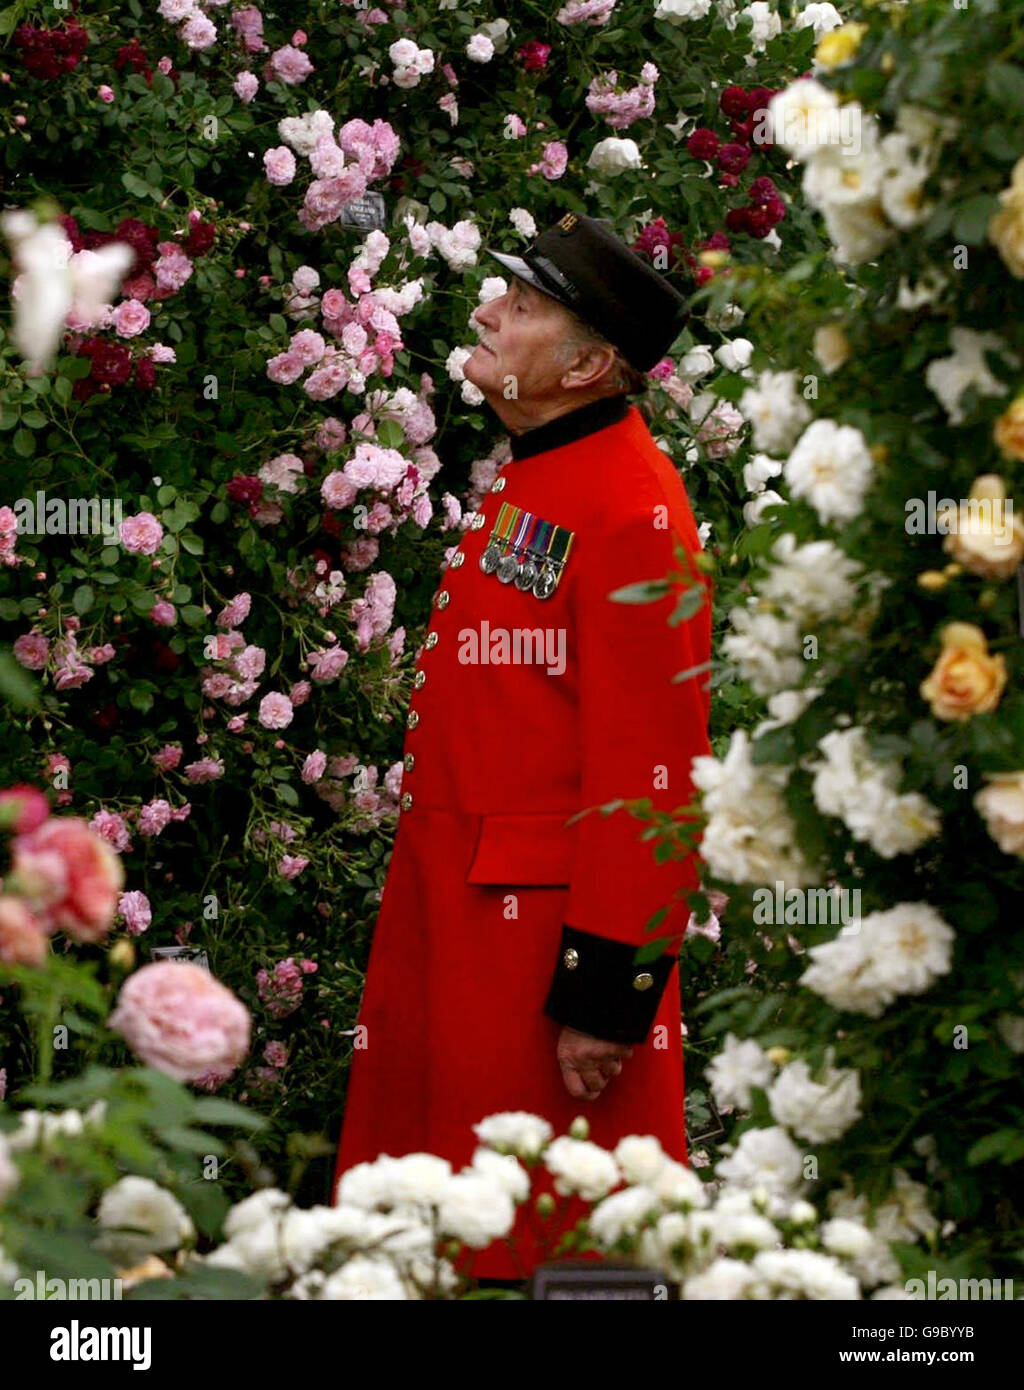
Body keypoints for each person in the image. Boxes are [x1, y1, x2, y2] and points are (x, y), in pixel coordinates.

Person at [332, 211, 712, 1280]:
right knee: (460, 1244)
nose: (491, 310)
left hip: (545, 959)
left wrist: (606, 993)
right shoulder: (549, 466)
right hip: (462, 922)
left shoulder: (635, 508)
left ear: (591, 363)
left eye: (529, 304)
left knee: (559, 1255)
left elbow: (656, 767)